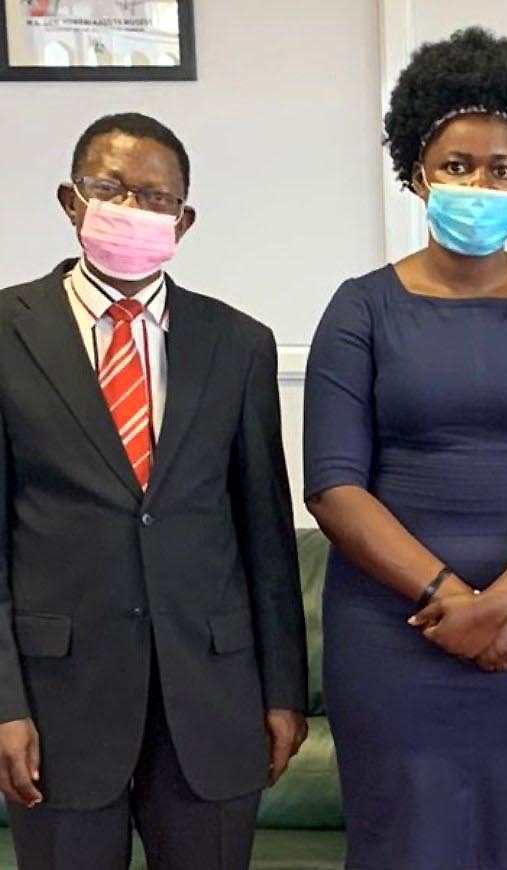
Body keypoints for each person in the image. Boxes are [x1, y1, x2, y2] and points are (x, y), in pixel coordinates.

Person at [303, 27, 507, 870]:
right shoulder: (359, 308)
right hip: (394, 626)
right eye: (457, 165)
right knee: (403, 841)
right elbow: (333, 485)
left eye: (502, 169)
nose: (480, 183)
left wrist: (497, 607)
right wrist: (454, 601)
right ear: (416, 174)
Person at [0, 112, 309, 869]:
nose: (131, 210)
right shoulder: (7, 330)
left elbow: (265, 533)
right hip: (57, 701)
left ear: (185, 218)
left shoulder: (239, 343)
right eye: (110, 189)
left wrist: (284, 692)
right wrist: (3, 702)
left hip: (211, 699)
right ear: (72, 202)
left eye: (155, 197)